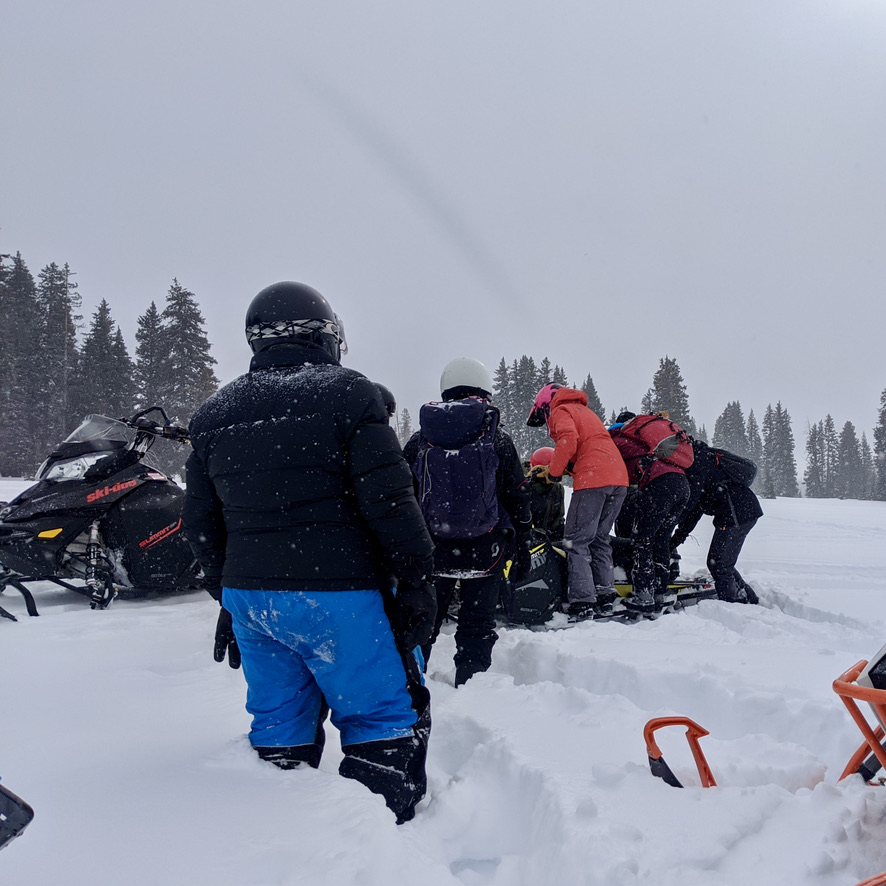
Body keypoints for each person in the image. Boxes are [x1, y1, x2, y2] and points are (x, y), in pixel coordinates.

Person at [182, 281, 436, 825]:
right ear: (325, 334)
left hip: (253, 600)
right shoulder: (350, 394)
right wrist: (418, 581)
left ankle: (281, 842)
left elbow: (201, 525)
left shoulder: (211, 414)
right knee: (379, 717)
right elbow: (391, 503)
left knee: (278, 724)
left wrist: (227, 594)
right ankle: (383, 839)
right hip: (341, 594)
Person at [403, 357, 532, 686]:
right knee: (477, 626)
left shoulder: (420, 442)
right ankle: (472, 691)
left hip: (432, 551)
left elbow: (403, 498)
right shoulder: (498, 440)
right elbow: (516, 496)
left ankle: (413, 687)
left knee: (424, 624)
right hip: (485, 552)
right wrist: (524, 543)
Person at [527, 384, 629, 619]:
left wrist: (553, 473)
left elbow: (568, 439)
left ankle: (582, 601)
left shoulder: (561, 410)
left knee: (575, 541)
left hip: (594, 479)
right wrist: (564, 468)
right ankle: (605, 594)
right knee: (599, 539)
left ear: (545, 406)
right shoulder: (585, 412)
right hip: (618, 479)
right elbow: (584, 448)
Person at [609, 411, 692, 614]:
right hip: (682, 485)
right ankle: (659, 593)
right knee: (661, 539)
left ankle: (644, 596)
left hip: (661, 485)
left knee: (642, 540)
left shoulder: (617, 440)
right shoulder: (646, 442)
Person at [670, 439, 762, 604]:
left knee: (720, 564)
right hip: (738, 512)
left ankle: (732, 604)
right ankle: (746, 597)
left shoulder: (696, 465)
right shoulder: (701, 461)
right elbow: (695, 510)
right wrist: (678, 536)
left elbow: (691, 506)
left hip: (737, 514)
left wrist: (671, 526)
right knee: (720, 562)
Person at [526, 447, 566, 542]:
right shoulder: (525, 489)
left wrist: (558, 532)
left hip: (551, 539)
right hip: (530, 540)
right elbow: (522, 520)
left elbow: (559, 517)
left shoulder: (558, 489)